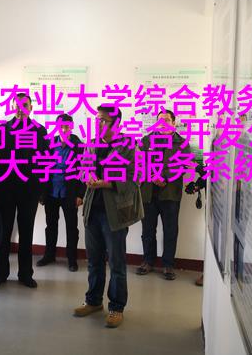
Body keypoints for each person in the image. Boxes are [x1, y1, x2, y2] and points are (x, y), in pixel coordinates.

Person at [73, 106, 143, 328]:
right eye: (97, 119)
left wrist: (107, 183)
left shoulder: (129, 147)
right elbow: (82, 169)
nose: (98, 123)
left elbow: (135, 178)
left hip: (115, 213)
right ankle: (93, 301)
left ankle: (116, 307)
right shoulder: (92, 143)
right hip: (92, 210)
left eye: (103, 120)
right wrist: (86, 176)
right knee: (94, 261)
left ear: (117, 123)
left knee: (116, 263)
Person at [0, 93, 48, 289]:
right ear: (12, 107)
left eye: (25, 105)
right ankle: (0, 274)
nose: (21, 109)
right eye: (17, 105)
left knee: (26, 232)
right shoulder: (1, 130)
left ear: (31, 108)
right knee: (3, 233)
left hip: (30, 190)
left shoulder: (40, 131)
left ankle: (25, 274)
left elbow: (46, 161)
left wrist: (42, 190)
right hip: (5, 189)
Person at [136, 109, 191, 280]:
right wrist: (153, 176)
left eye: (167, 120)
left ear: (174, 123)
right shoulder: (146, 141)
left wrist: (165, 177)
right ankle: (148, 261)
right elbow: (138, 162)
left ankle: (168, 265)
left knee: (170, 231)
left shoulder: (182, 143)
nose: (163, 123)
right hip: (148, 193)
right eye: (160, 120)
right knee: (147, 230)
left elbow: (183, 165)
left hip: (170, 194)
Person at [36, 113, 85, 271]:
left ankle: (72, 259)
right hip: (51, 192)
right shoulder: (50, 144)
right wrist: (42, 193)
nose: (64, 130)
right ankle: (49, 255)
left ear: (72, 127)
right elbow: (43, 168)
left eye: (67, 127)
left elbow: (84, 171)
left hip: (69, 193)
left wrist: (80, 194)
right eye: (61, 127)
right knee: (51, 225)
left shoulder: (79, 146)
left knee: (72, 227)